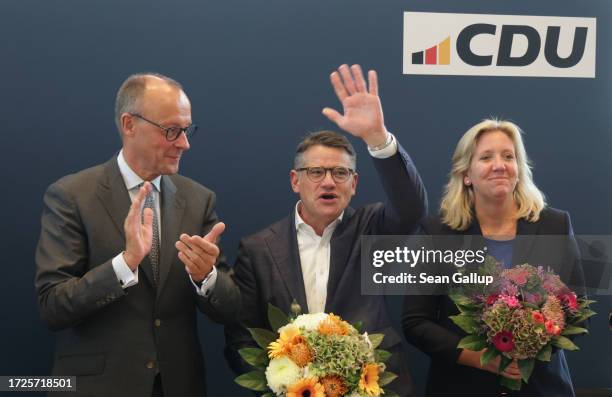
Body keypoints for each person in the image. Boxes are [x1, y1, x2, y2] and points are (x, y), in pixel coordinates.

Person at [224, 64, 427, 396]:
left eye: (340, 173)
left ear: (354, 184)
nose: (329, 182)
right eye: (316, 172)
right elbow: (242, 336)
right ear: (295, 181)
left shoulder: (372, 229)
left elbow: (412, 208)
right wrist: (280, 384)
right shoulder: (258, 248)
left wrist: (378, 139)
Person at [35, 73, 240, 397]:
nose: (184, 143)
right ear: (129, 124)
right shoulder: (72, 196)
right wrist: (125, 263)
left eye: (187, 130)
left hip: (178, 385)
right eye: (172, 130)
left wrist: (207, 277)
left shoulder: (199, 200)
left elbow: (230, 309)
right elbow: (53, 307)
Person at [402, 119, 586, 397]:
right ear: (466, 174)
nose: (499, 165)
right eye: (486, 157)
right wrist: (483, 359)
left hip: (541, 388)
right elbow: (416, 323)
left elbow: (578, 313)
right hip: (462, 386)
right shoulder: (436, 233)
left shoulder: (555, 225)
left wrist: (529, 346)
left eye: (509, 156)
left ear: (519, 169)